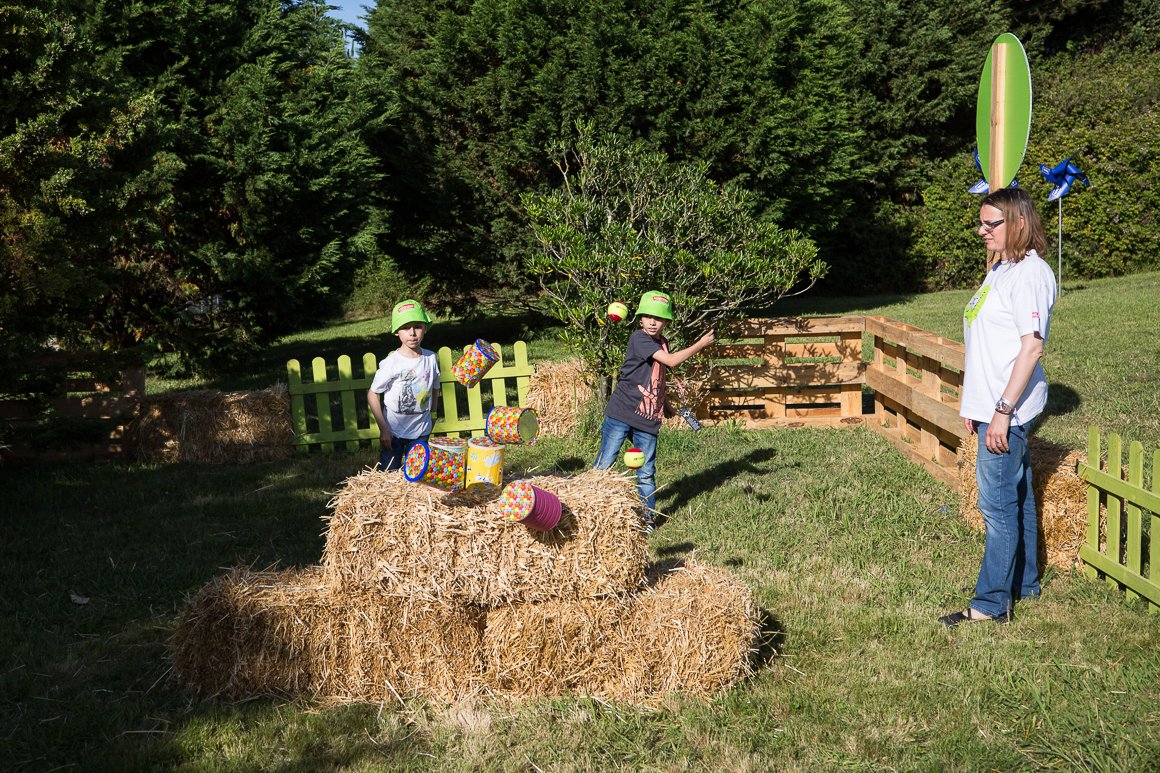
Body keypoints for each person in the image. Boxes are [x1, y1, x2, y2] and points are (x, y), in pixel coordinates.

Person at [940, 187, 1056, 628]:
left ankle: (990, 605)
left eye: (991, 223)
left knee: (997, 507)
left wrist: (1003, 411)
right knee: (1017, 497)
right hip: (991, 405)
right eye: (981, 223)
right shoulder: (1002, 269)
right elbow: (988, 343)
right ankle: (1024, 584)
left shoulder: (1031, 274)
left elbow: (1032, 347)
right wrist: (975, 404)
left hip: (1009, 409)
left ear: (1019, 223)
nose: (982, 231)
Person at [593, 290, 715, 527]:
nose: (652, 322)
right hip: (621, 412)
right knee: (604, 465)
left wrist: (664, 403)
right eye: (648, 316)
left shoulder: (663, 342)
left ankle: (646, 519)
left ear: (666, 321)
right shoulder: (639, 339)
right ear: (640, 319)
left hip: (647, 419)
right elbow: (671, 361)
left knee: (646, 473)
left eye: (658, 318)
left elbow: (657, 375)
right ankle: (592, 510)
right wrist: (701, 344)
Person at [367, 299, 440, 472]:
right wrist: (384, 429)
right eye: (406, 328)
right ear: (397, 332)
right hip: (394, 432)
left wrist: (433, 415)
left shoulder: (431, 358)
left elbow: (435, 388)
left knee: (417, 475)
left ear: (425, 328)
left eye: (418, 327)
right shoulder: (392, 362)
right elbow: (372, 394)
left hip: (421, 430)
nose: (412, 333)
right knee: (389, 475)